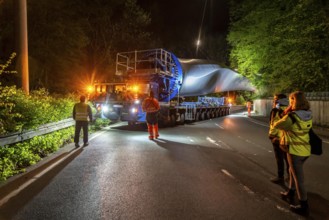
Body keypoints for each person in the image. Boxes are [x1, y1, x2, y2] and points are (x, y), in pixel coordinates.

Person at [273, 91, 312, 216]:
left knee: (298, 179)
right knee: (291, 171)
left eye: (291, 100)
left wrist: (286, 111)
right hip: (305, 150)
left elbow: (277, 124)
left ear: (294, 101)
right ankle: (290, 191)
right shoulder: (308, 114)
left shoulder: (292, 117)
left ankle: (303, 205)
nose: (289, 102)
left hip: (295, 151)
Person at [268, 94, 290, 184]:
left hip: (277, 138)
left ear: (278, 100)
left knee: (279, 158)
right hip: (288, 138)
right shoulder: (290, 109)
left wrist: (271, 136)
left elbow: (274, 124)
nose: (273, 101)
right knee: (288, 159)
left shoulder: (276, 110)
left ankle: (280, 177)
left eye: (274, 99)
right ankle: (290, 177)